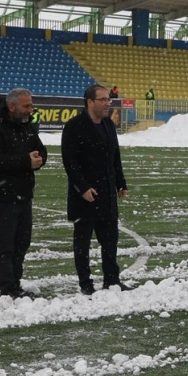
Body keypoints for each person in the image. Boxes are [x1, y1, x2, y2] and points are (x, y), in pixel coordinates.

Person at [62, 84, 130, 295]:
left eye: (108, 99)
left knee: (110, 241)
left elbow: (114, 157)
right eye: (103, 99)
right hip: (86, 196)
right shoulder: (75, 126)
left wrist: (121, 182)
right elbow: (70, 161)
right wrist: (82, 188)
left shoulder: (109, 125)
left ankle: (112, 279)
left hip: (107, 194)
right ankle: (85, 283)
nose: (108, 103)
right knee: (82, 242)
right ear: (90, 102)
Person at [0, 88, 47, 300]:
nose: (31, 110)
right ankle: (8, 287)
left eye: (31, 105)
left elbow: (41, 151)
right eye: (26, 106)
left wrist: (38, 160)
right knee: (6, 244)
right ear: (12, 106)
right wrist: (26, 161)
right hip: (2, 197)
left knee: (22, 243)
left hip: (24, 194)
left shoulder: (28, 127)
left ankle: (15, 283)